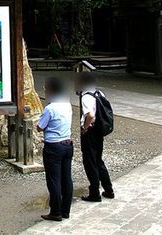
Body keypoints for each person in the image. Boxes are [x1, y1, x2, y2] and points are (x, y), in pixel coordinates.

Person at [36, 77, 74, 222]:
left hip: (53, 146)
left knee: (54, 180)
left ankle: (55, 212)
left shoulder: (50, 108)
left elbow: (40, 126)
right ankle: (65, 210)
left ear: (50, 90)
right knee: (66, 178)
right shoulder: (67, 104)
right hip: (67, 144)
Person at [76, 70, 113, 202]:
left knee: (90, 162)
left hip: (90, 131)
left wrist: (84, 128)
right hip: (99, 130)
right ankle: (108, 189)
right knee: (98, 160)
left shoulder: (86, 96)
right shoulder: (99, 93)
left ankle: (94, 193)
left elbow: (90, 115)